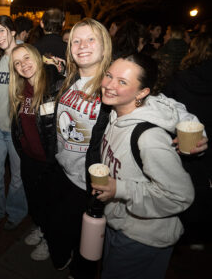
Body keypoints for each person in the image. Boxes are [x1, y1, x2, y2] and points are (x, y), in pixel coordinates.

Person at [90, 53, 195, 279]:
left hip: (144, 238)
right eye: (109, 76)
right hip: (119, 223)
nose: (109, 85)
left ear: (142, 93)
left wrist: (120, 189)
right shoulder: (115, 114)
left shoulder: (149, 138)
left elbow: (180, 195)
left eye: (122, 82)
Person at [8, 43, 64, 261]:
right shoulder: (20, 90)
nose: (23, 65)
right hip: (29, 158)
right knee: (36, 201)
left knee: (52, 203)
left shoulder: (55, 85)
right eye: (17, 63)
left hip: (51, 161)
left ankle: (51, 240)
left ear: (38, 58)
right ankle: (41, 228)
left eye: (27, 58)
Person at [162, 32, 212, 251]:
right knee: (205, 186)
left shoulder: (181, 77)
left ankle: (180, 228)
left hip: (182, 137)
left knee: (182, 182)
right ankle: (198, 236)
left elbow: (167, 105)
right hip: (206, 141)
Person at [0, 15, 27, 231]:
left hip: (16, 129)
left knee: (18, 177)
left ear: (12, 31)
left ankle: (16, 211)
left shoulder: (25, 55)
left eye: (2, 30)